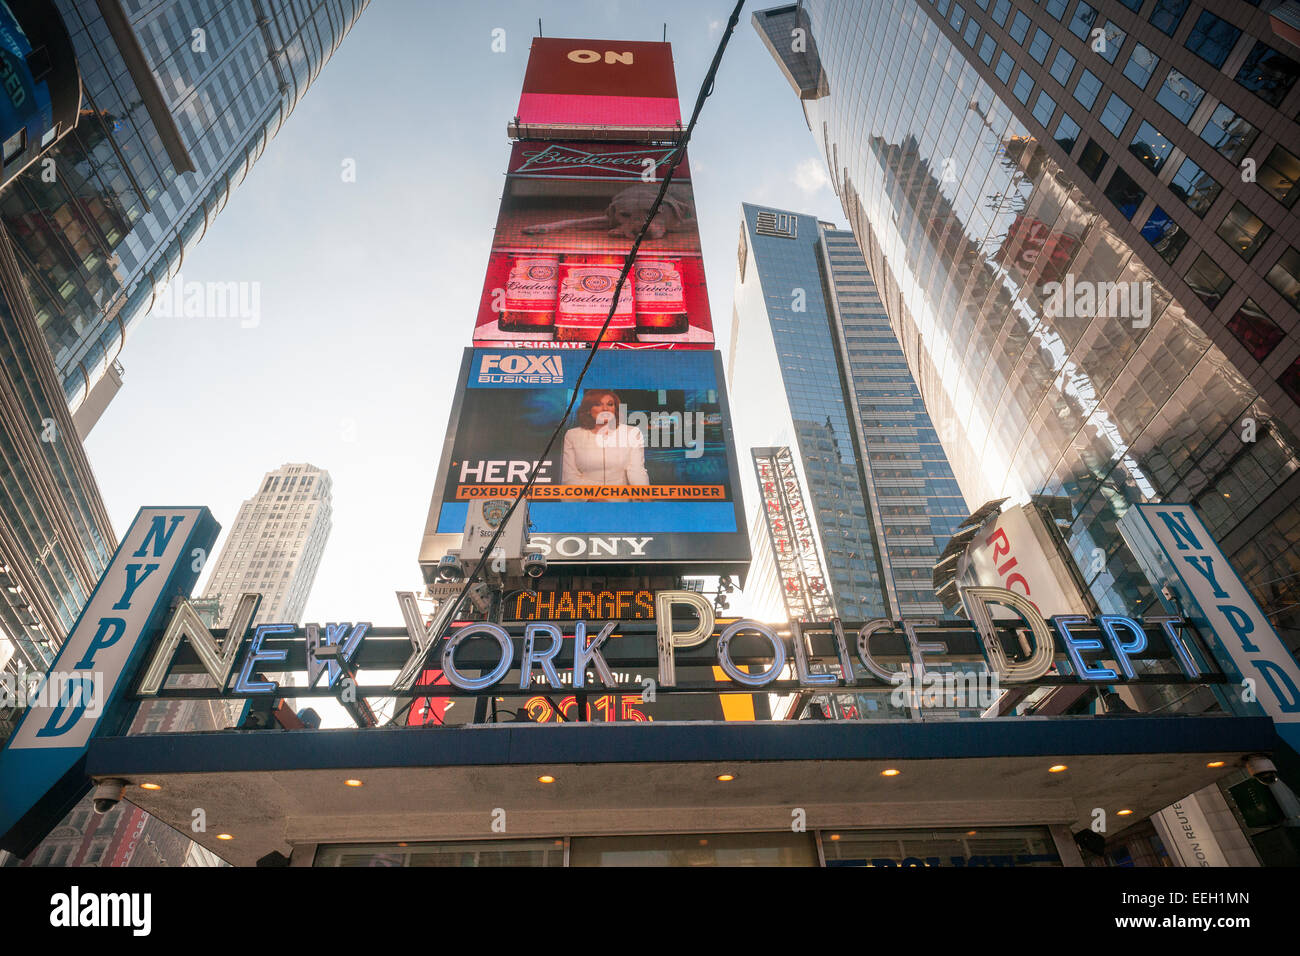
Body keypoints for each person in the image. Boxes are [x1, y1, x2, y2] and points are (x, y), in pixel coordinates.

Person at [562, 389, 650, 485]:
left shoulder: (632, 433)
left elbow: (637, 471)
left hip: (620, 496)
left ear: (615, 409)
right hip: (585, 496)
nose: (605, 409)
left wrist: (644, 495)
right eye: (598, 404)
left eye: (610, 404)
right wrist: (591, 498)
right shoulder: (572, 435)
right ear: (588, 410)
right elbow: (569, 476)